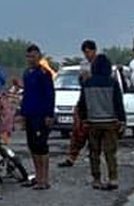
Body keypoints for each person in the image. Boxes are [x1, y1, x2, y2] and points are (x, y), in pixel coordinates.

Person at [77, 54, 126, 190]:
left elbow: (82, 103)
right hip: (110, 122)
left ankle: (96, 179)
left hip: (93, 122)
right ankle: (113, 178)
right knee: (110, 152)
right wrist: (122, 120)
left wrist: (83, 118)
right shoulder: (112, 83)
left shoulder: (87, 83)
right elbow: (118, 104)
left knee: (94, 152)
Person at [20, 44, 56, 190]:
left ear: (39, 56)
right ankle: (37, 175)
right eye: (28, 56)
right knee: (32, 146)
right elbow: (27, 95)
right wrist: (22, 114)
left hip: (41, 115)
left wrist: (49, 114)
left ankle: (44, 179)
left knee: (41, 146)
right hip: (29, 114)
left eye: (33, 56)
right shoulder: (27, 73)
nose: (31, 59)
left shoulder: (44, 73)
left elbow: (50, 95)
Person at [60, 40, 100, 169]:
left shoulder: (101, 64)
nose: (87, 55)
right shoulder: (83, 65)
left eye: (88, 52)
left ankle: (95, 159)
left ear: (94, 51)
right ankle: (71, 157)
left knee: (94, 134)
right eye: (85, 52)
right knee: (77, 132)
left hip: (96, 102)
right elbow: (82, 81)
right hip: (84, 99)